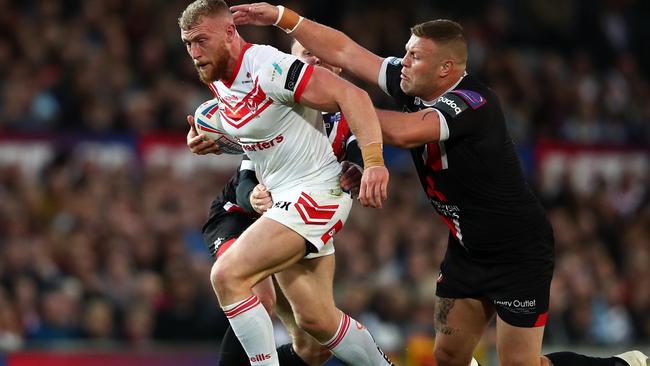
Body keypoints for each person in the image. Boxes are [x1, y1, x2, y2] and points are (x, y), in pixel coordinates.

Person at [230, 4, 649, 366]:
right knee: (447, 357)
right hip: (466, 247)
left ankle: (621, 362)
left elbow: (406, 132)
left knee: (521, 363)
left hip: (517, 251)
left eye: (414, 58)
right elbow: (344, 50)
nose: (403, 63)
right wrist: (284, 18)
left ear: (445, 69)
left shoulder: (471, 103)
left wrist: (340, 101)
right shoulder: (413, 81)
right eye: (407, 54)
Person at [178, 1, 393, 365]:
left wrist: (373, 162)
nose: (194, 53)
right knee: (316, 329)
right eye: (188, 44)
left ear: (230, 32)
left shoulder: (268, 67)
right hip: (285, 200)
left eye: (201, 40)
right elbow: (263, 134)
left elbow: (352, 95)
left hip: (315, 193)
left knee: (228, 276)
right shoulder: (220, 79)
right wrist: (213, 142)